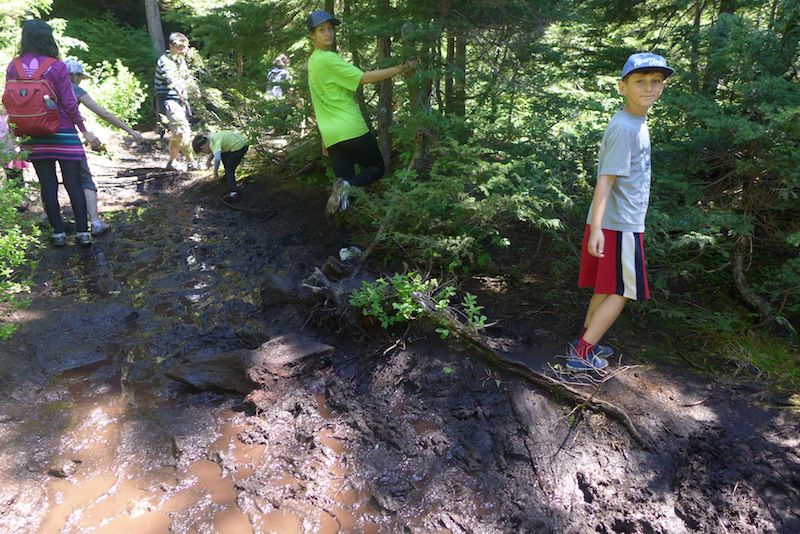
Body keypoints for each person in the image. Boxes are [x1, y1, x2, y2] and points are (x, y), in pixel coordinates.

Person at [567, 52, 673, 371]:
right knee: (624, 290)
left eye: (656, 82)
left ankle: (586, 340)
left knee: (608, 287)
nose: (649, 88)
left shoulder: (635, 121)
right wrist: (597, 228)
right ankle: (582, 353)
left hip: (619, 223)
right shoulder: (625, 127)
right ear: (622, 86)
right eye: (640, 81)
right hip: (618, 225)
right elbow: (605, 180)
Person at [306, 10, 414, 214]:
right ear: (312, 35)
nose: (328, 33)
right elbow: (363, 78)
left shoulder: (312, 62)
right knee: (376, 168)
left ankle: (345, 246)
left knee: (344, 199)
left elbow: (319, 99)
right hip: (351, 128)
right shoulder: (328, 59)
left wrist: (324, 137)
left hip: (332, 135)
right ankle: (347, 188)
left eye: (330, 29)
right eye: (322, 30)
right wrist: (401, 68)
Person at [5, 20, 101, 247]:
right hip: (64, 132)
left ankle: (58, 233)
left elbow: (9, 100)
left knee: (47, 184)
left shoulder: (14, 66)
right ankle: (82, 233)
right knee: (73, 183)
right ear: (49, 39)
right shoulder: (56, 66)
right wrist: (84, 131)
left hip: (32, 134)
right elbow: (69, 103)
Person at [65, 59, 144, 235]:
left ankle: (55, 228)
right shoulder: (75, 89)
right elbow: (103, 113)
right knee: (85, 181)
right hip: (67, 140)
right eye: (80, 77)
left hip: (43, 140)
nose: (80, 81)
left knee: (50, 182)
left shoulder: (50, 87)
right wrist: (130, 130)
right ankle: (94, 223)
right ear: (75, 75)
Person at [154, 32, 195, 171]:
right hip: (169, 100)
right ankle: (190, 162)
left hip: (180, 100)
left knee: (180, 131)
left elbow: (185, 78)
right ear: (171, 46)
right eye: (180, 47)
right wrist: (180, 90)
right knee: (181, 129)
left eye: (185, 47)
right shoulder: (165, 60)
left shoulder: (180, 60)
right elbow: (171, 78)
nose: (183, 50)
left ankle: (172, 162)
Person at [191, 131, 249, 202]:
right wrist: (209, 160)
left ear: (203, 147)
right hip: (241, 143)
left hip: (239, 147)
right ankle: (227, 178)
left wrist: (215, 173)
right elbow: (216, 151)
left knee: (229, 170)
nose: (205, 153)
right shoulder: (211, 139)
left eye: (203, 152)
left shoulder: (213, 143)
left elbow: (217, 158)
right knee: (224, 158)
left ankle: (234, 194)